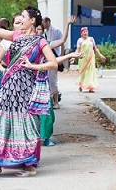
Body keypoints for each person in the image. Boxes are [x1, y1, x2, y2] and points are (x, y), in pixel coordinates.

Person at [0, 0, 58, 177]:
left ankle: (29, 166)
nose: (21, 20)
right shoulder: (15, 35)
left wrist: (34, 66)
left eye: (24, 17)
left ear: (32, 21)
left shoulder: (40, 41)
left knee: (24, 124)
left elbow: (53, 63)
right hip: (8, 84)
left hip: (26, 87)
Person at [36, 16, 77, 146]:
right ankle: (31, 138)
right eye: (36, 29)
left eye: (40, 29)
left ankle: (46, 137)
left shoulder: (46, 44)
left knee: (48, 112)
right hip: (29, 83)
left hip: (42, 83)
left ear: (43, 31)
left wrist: (67, 24)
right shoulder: (26, 44)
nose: (37, 31)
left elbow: (62, 40)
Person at [75, 27, 106, 93]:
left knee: (91, 72)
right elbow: (77, 50)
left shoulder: (91, 39)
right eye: (84, 32)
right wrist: (73, 57)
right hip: (82, 59)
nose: (85, 33)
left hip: (91, 58)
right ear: (81, 33)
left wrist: (100, 55)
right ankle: (81, 85)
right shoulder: (79, 40)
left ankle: (91, 87)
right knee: (83, 73)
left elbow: (95, 48)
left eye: (86, 31)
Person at [42, 17, 63, 109]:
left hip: (55, 56)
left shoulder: (56, 31)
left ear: (48, 22)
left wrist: (61, 56)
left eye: (44, 22)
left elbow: (62, 43)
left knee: (53, 80)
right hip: (45, 59)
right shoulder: (43, 33)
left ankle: (56, 101)